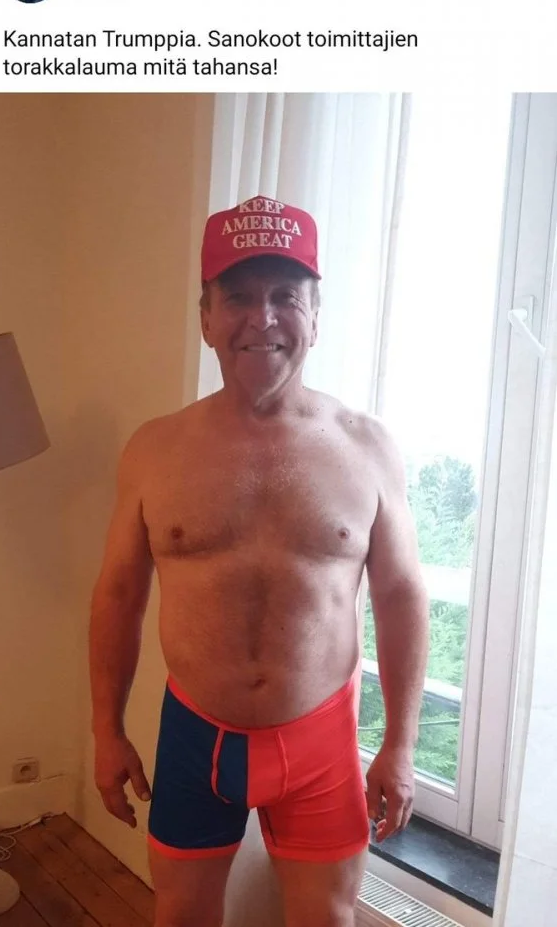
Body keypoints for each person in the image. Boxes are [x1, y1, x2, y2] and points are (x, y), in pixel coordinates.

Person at [89, 195, 429, 927]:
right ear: (206, 317)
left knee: (326, 920)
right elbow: (118, 594)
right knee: (181, 917)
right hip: (194, 735)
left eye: (285, 297)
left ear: (315, 314)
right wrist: (106, 731)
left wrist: (399, 746)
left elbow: (401, 596)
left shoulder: (367, 448)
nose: (262, 318)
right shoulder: (154, 450)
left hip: (321, 739)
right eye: (238, 297)